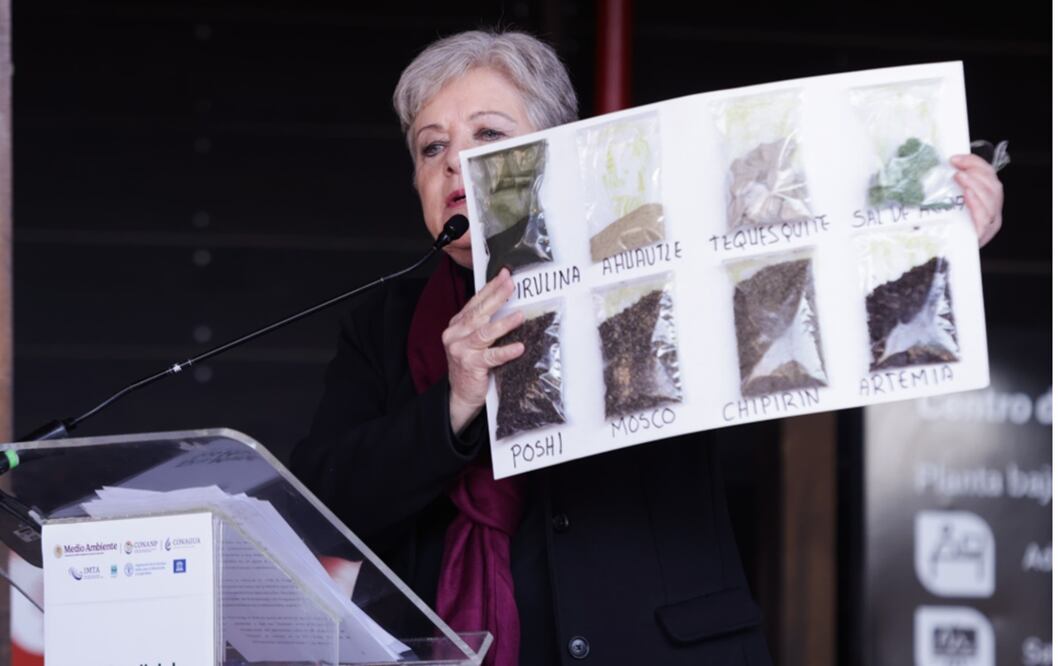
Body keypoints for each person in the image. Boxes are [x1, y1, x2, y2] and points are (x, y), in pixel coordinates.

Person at [291, 30, 1005, 666]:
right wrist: (455, 403)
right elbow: (317, 502)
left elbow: (823, 324)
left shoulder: (659, 257)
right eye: (432, 146)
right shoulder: (385, 325)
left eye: (488, 134)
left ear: (556, 153)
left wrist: (935, 243)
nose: (456, 165)